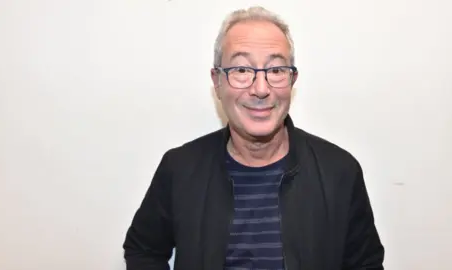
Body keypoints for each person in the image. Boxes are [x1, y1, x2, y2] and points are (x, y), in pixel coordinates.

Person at [122, 6, 384, 270]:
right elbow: (143, 250)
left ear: (292, 79)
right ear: (217, 81)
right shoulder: (179, 169)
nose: (261, 89)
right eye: (242, 70)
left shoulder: (339, 171)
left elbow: (365, 264)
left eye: (276, 70)